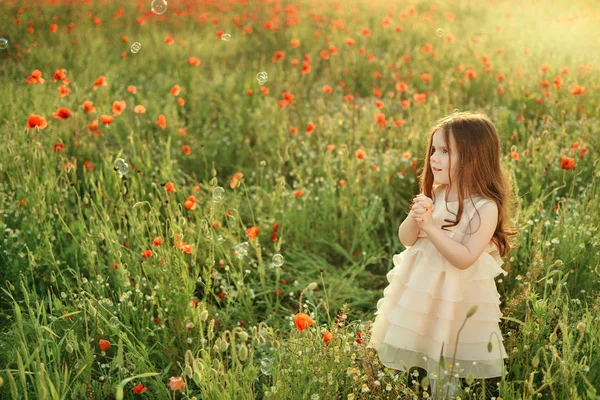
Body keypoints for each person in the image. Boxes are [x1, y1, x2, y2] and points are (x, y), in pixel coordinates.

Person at [366, 111, 520, 398]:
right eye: (433, 150)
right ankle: (421, 385)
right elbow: (407, 238)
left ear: (474, 157)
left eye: (445, 151)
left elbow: (464, 258)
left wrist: (432, 227)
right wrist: (416, 216)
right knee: (424, 334)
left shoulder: (485, 207)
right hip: (423, 289)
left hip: (457, 294)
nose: (434, 158)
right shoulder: (437, 194)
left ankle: (445, 392)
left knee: (448, 346)